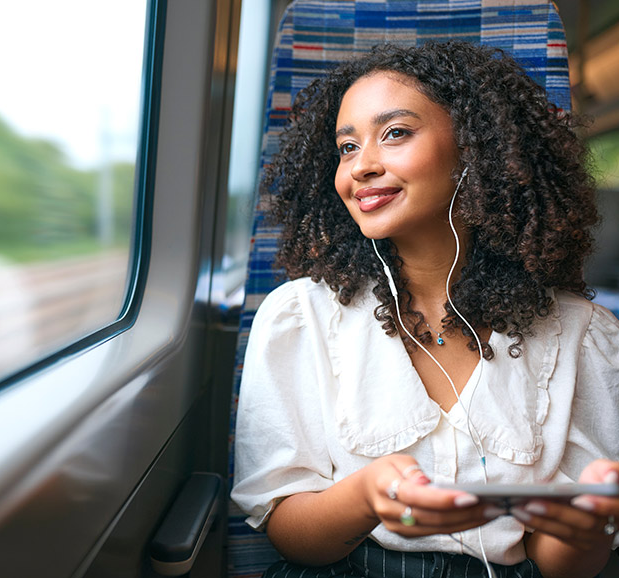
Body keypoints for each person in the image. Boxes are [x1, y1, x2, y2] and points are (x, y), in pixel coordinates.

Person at [231, 41, 619, 578]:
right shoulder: (300, 319)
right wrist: (367, 496)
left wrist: (589, 526)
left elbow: (557, 565)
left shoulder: (581, 336)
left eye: (394, 133)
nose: (362, 166)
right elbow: (294, 541)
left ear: (474, 149)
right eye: (347, 147)